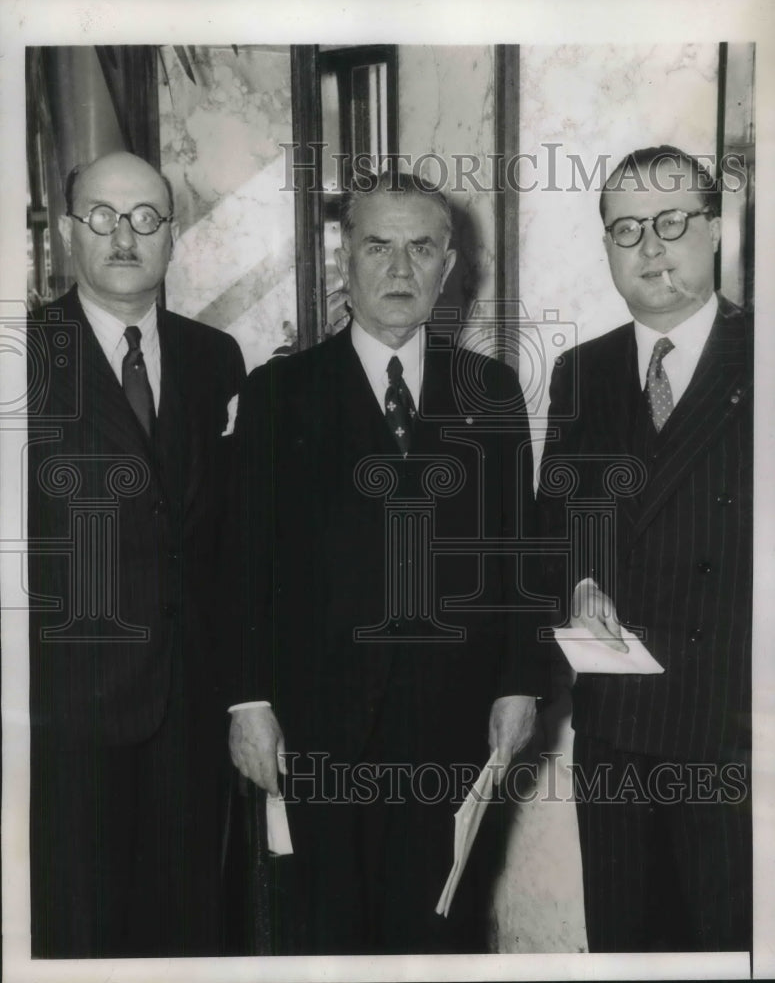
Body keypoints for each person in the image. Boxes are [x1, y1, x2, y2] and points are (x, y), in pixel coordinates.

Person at [226, 171, 548, 954]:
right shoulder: (277, 393)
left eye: (421, 248)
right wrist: (247, 703)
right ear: (345, 260)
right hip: (318, 726)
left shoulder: (491, 392)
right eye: (378, 246)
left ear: (448, 266)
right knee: (327, 936)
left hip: (453, 723)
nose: (400, 270)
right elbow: (238, 560)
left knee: (442, 928)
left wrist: (519, 681)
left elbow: (518, 550)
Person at [27, 151, 246, 957]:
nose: (126, 235)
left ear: (173, 237)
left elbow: (224, 539)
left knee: (186, 927)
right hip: (63, 712)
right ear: (65, 231)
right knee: (76, 932)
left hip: (188, 706)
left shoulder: (213, 357)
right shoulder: (22, 357)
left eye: (147, 217)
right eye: (103, 217)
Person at [538, 145, 752, 952]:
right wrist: (580, 579)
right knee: (626, 950)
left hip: (732, 738)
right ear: (605, 250)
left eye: (670, 221)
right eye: (626, 229)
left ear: (714, 231)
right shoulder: (580, 373)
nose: (650, 248)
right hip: (616, 732)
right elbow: (554, 522)